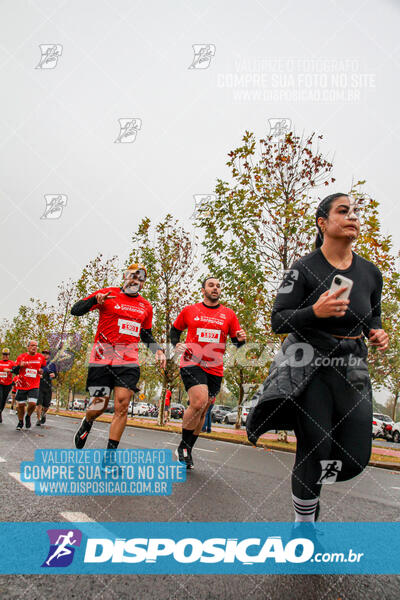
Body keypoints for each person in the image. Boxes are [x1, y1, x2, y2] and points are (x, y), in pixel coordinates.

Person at [247, 193, 388, 524]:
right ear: (323, 222)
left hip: (353, 366)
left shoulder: (370, 272)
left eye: (355, 211)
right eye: (343, 211)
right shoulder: (303, 269)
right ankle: (304, 518)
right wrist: (315, 311)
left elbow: (374, 314)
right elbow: (278, 320)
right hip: (312, 365)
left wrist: (376, 332)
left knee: (355, 456)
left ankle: (309, 481)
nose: (352, 216)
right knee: (316, 446)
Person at [70, 264, 166, 453]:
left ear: (143, 283)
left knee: (122, 405)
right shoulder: (108, 294)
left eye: (140, 279)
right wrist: (94, 302)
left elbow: (145, 334)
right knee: (99, 405)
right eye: (132, 276)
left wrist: (158, 350)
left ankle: (110, 455)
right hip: (102, 358)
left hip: (128, 361)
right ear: (124, 276)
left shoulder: (146, 306)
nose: (135, 281)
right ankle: (88, 421)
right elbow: (75, 310)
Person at [171, 277, 246, 469]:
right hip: (191, 362)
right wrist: (175, 344)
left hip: (215, 367)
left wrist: (241, 339)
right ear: (203, 289)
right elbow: (175, 330)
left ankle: (187, 449)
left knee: (204, 409)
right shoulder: (190, 310)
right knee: (198, 401)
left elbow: (237, 343)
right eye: (211, 285)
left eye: (218, 286)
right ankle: (182, 449)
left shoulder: (228, 314)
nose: (215, 288)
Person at [13, 341, 46, 430]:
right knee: (21, 405)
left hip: (34, 384)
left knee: (33, 403)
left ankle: (28, 416)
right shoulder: (21, 357)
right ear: (28, 347)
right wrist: (20, 365)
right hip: (22, 384)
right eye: (32, 345)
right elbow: (14, 370)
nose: (34, 347)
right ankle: (20, 422)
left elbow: (44, 367)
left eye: (36, 346)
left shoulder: (40, 357)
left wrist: (42, 370)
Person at [36, 348, 57, 426]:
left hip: (48, 387)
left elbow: (55, 374)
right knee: (39, 404)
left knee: (46, 406)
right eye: (43, 353)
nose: (45, 354)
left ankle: (43, 414)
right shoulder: (38, 363)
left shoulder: (52, 364)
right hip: (39, 386)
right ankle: (38, 419)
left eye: (47, 353)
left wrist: (54, 375)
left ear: (49, 355)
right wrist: (38, 375)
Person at [0, 348, 14, 423]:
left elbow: (16, 369)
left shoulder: (11, 363)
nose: (5, 356)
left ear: (9, 355)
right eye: (4, 354)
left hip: (7, 384)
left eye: (6, 354)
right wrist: (5, 369)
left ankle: (0, 411)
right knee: (0, 396)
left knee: (3, 399)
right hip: (0, 383)